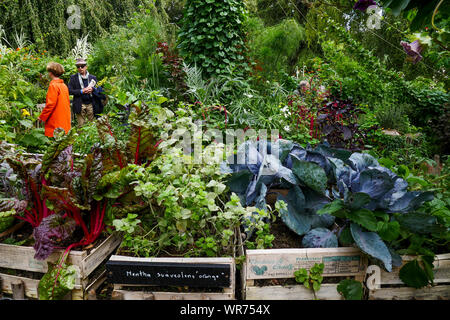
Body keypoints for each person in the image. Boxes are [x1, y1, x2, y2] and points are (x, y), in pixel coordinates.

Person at [68, 58, 106, 126]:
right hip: (79, 103)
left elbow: (99, 90)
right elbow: (69, 91)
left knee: (91, 125)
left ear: (86, 67)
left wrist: (92, 89)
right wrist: (81, 91)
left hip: (91, 103)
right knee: (81, 125)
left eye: (82, 66)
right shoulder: (73, 78)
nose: (80, 68)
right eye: (78, 67)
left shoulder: (92, 77)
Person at [39, 62, 71, 137]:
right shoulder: (63, 85)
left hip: (56, 120)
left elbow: (50, 104)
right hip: (64, 119)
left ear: (50, 73)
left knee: (56, 143)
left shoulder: (53, 85)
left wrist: (42, 117)